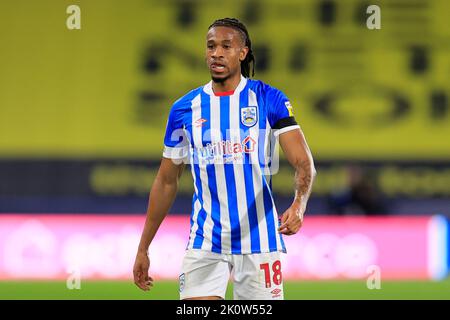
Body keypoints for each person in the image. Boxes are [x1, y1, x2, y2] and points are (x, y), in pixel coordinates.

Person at [133, 17, 316, 300]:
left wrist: (299, 205)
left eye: (226, 46)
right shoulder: (184, 109)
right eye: (211, 46)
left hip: (260, 240)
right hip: (206, 240)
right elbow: (166, 181)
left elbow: (304, 163)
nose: (216, 53)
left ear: (242, 53)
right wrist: (144, 247)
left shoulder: (268, 99)